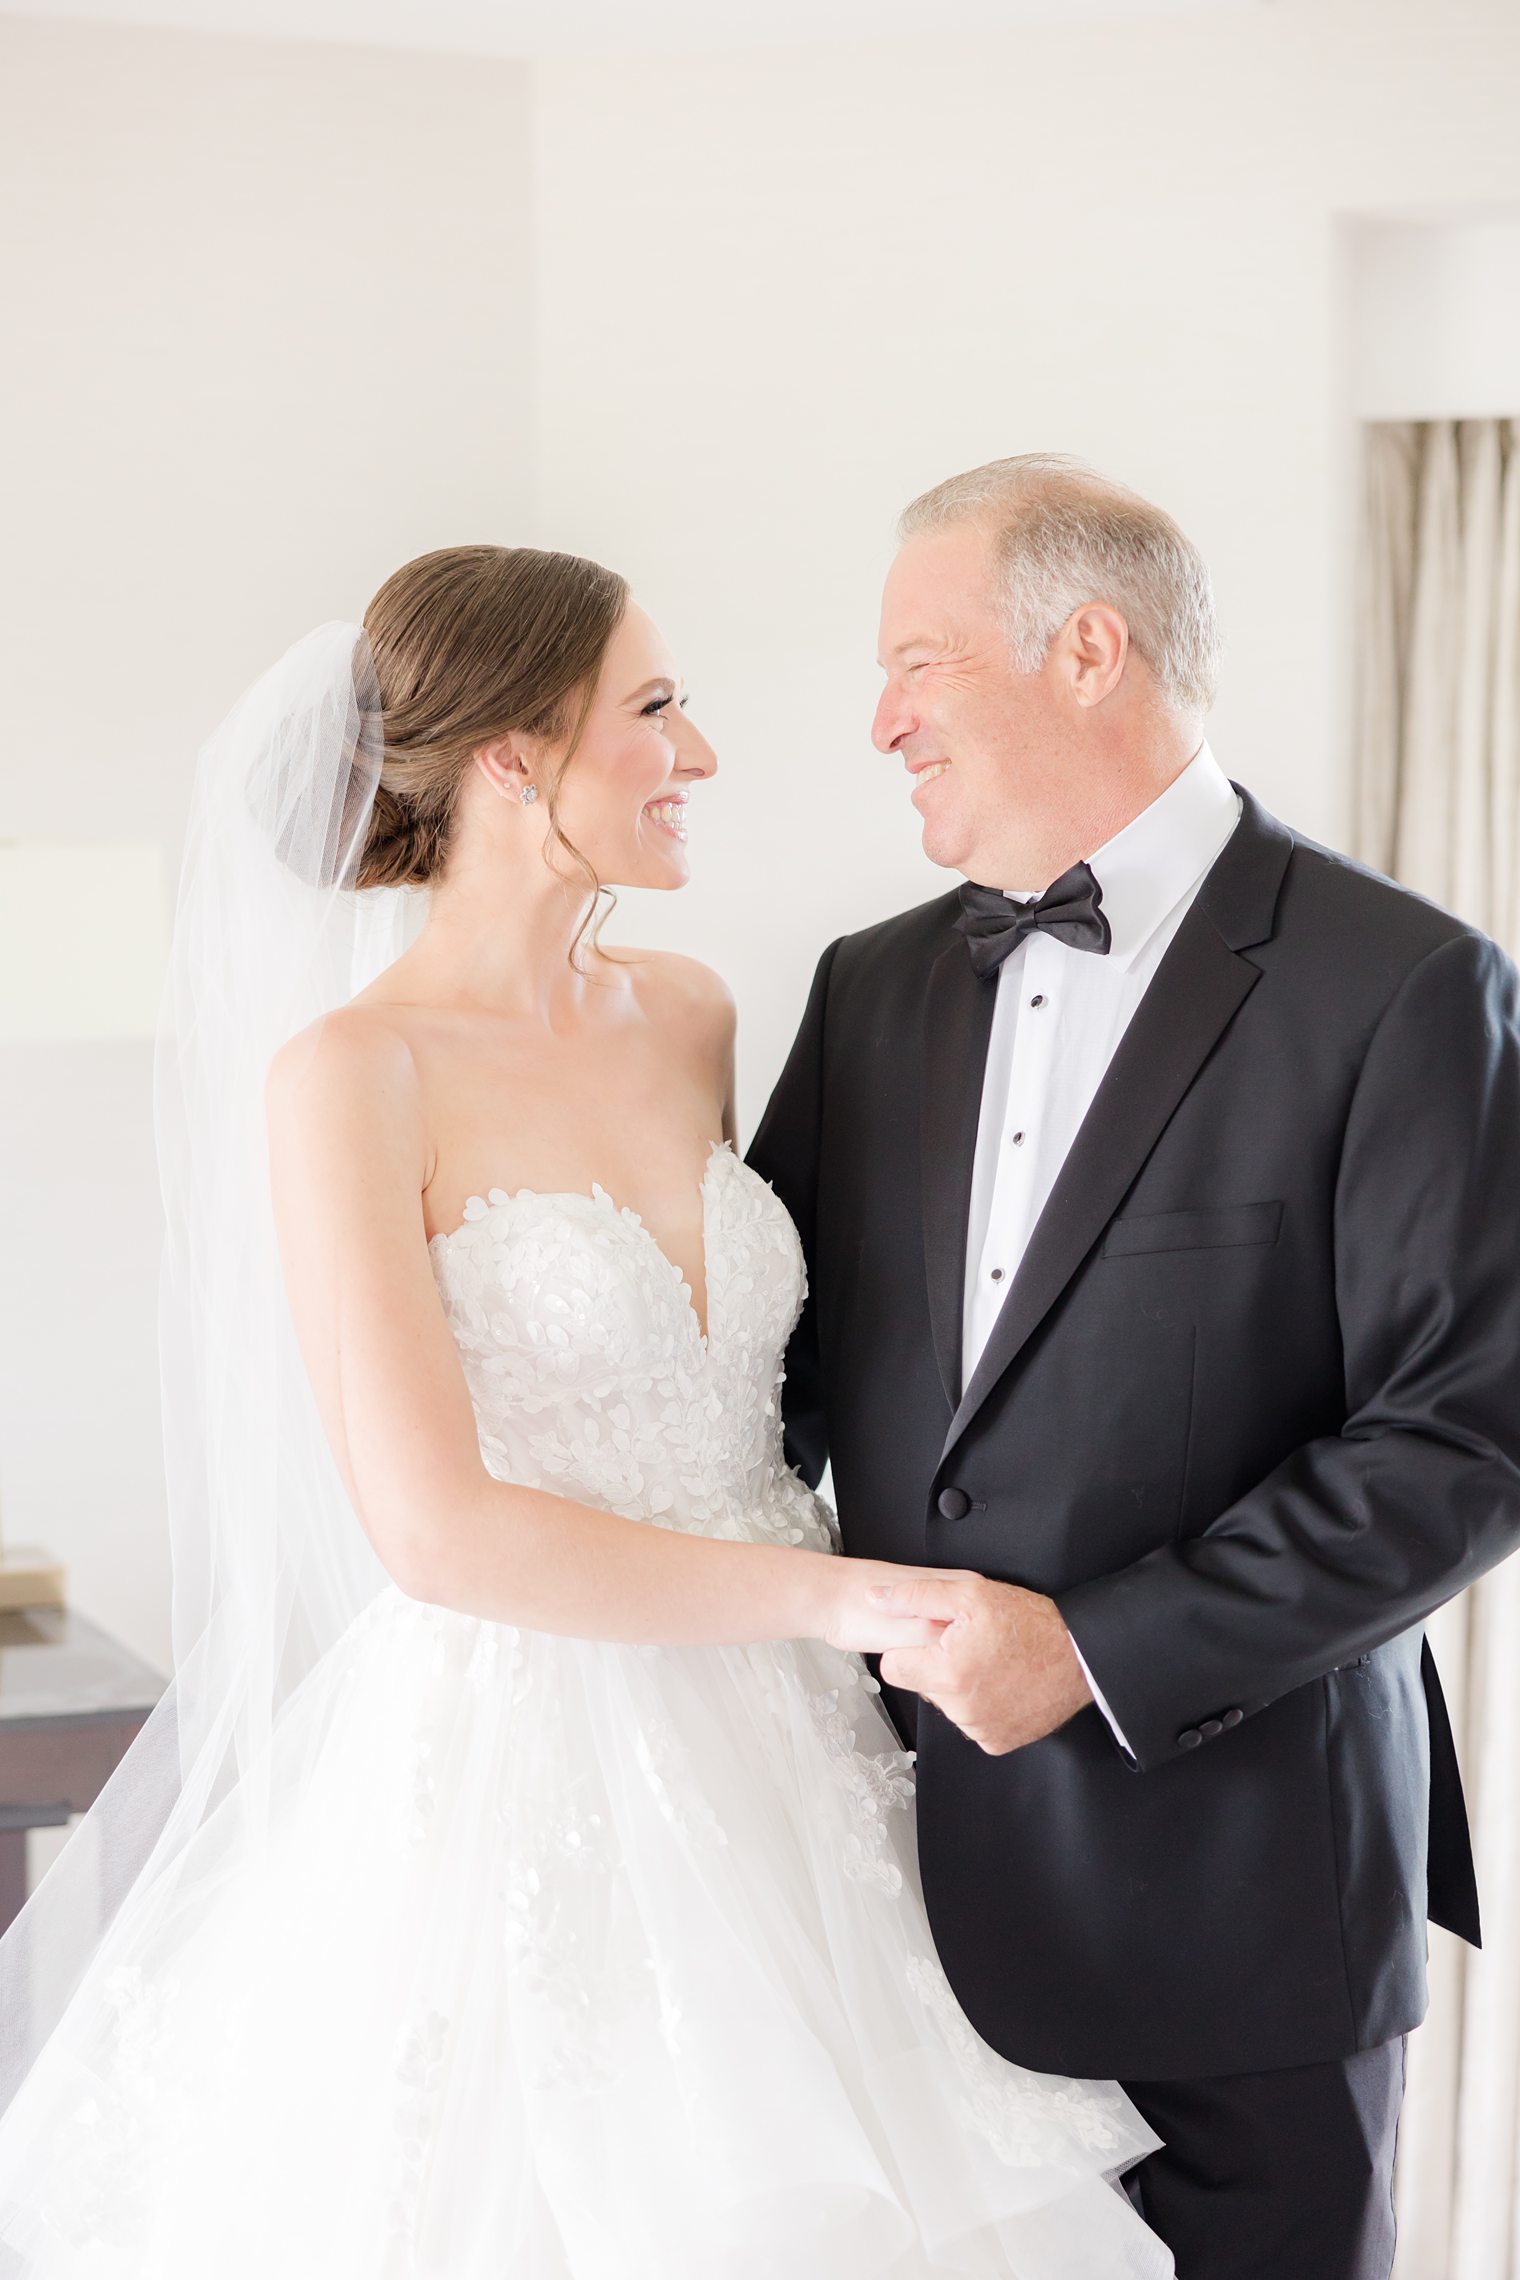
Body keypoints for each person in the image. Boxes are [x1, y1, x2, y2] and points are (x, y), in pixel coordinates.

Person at [0, 544, 1171, 2277]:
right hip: (538, 1761)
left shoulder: (690, 1016)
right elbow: (438, 1530)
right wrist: (854, 1596)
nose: (698, 752)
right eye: (655, 706)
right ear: (513, 758)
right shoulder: (352, 1077)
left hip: (809, 1754)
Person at [747, 452, 1520, 2280]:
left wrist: (1095, 1655)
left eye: (918, 664)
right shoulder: (868, 991)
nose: (882, 720)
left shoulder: (1404, 986)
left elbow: (1466, 1439)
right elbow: (759, 1371)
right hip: (888, 1906)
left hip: (1245, 1916)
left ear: (1088, 649)